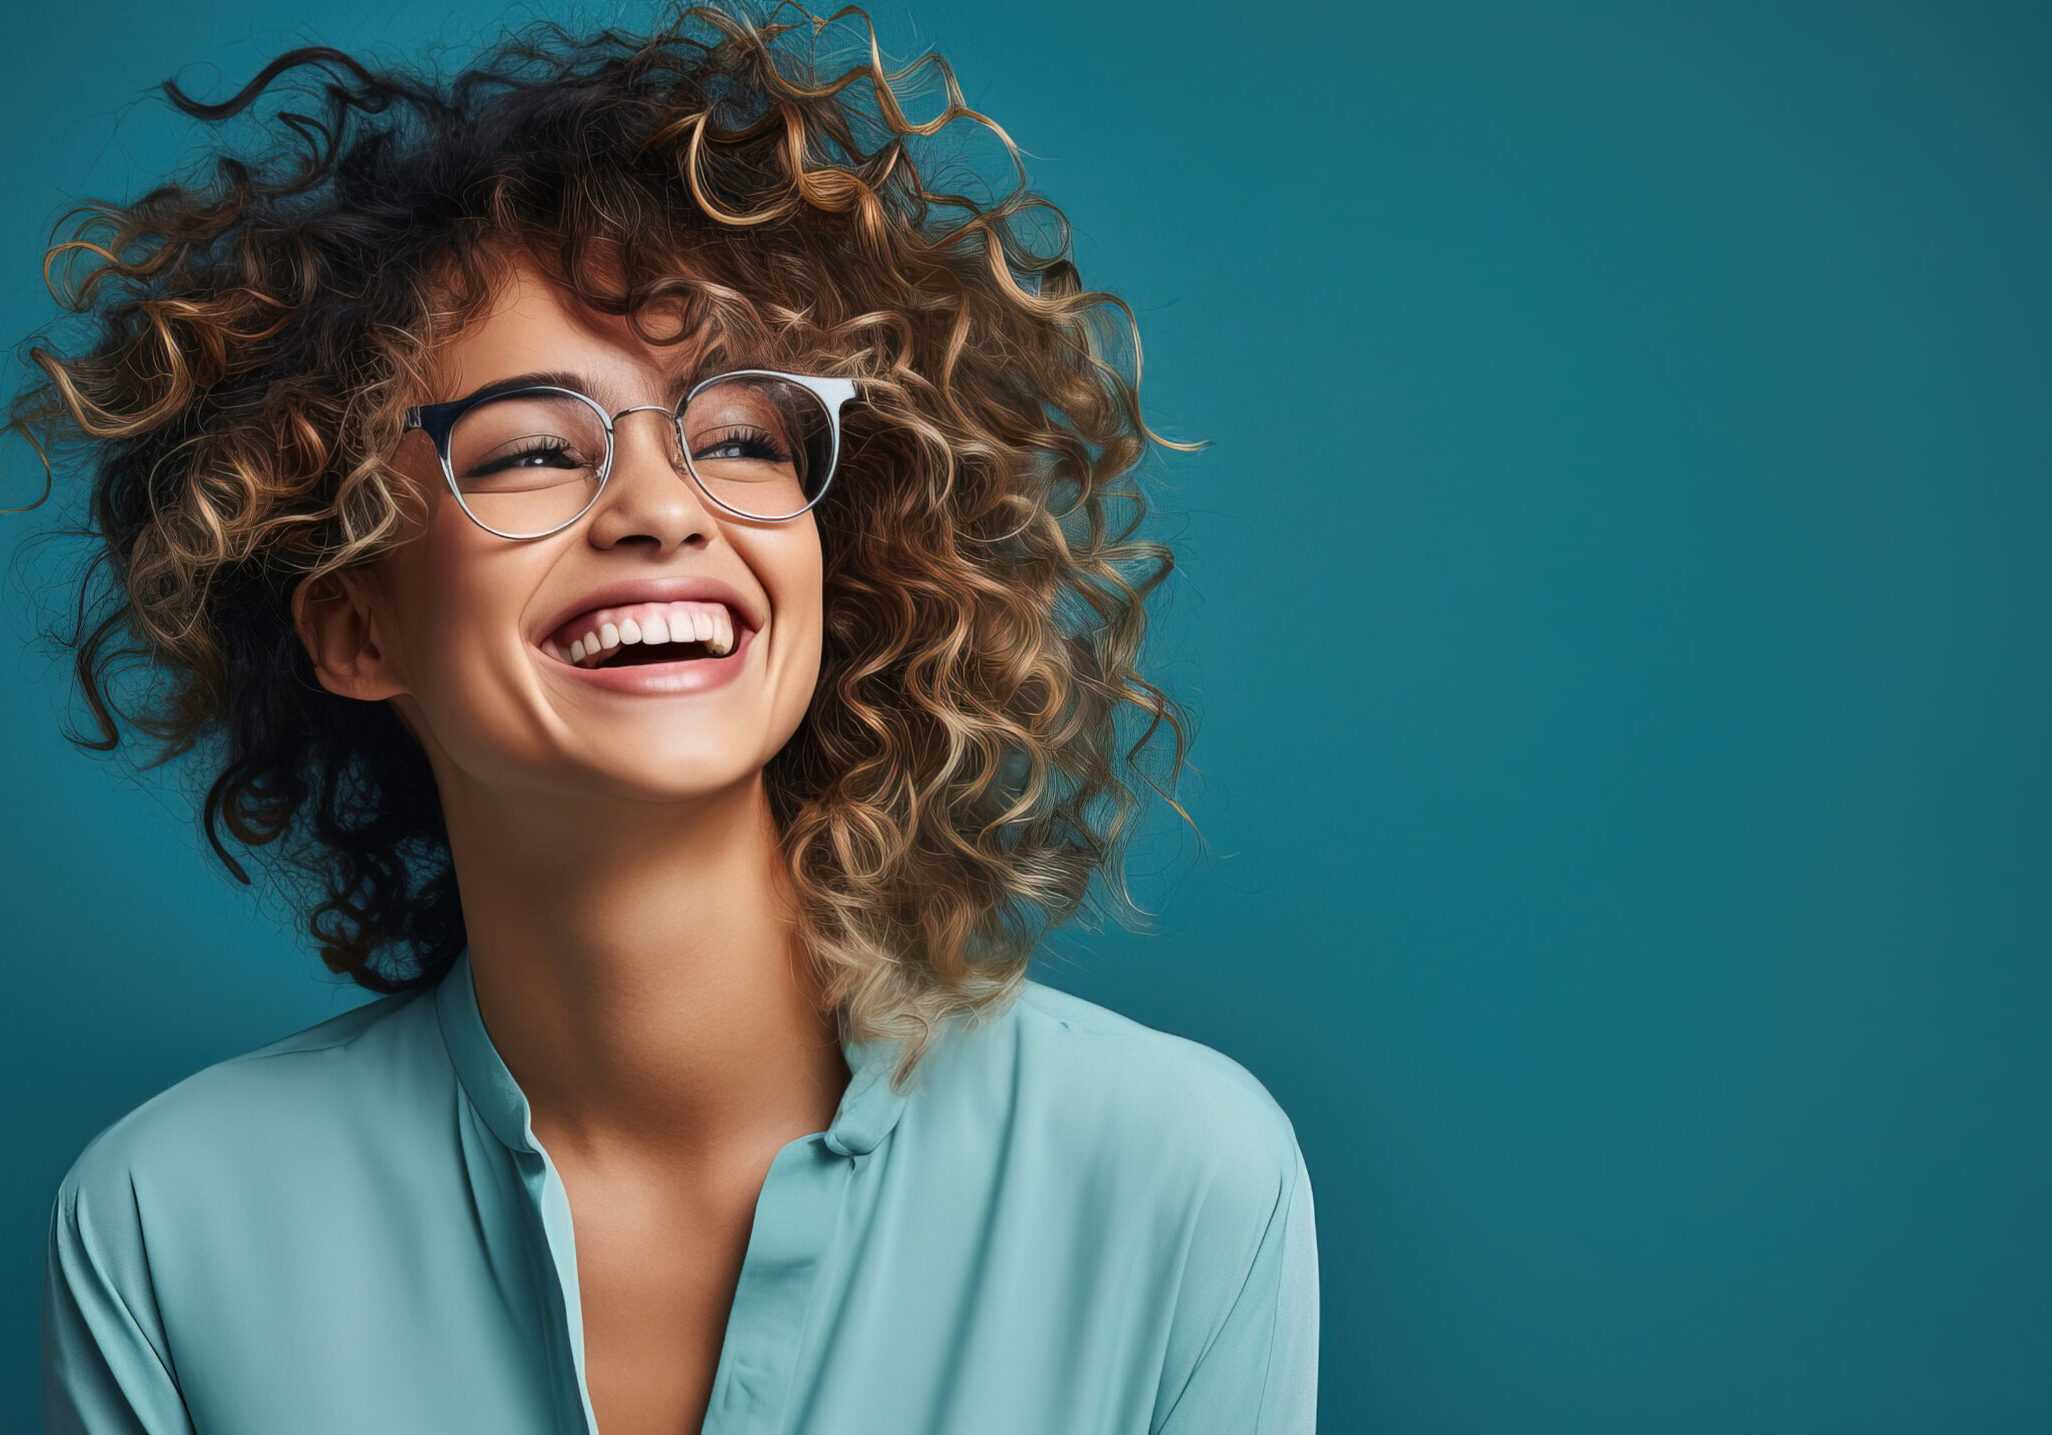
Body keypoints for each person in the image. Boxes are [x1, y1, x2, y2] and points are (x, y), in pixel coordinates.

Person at [9, 4, 1319, 1431]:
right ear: (356, 626)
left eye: (742, 434)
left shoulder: (1175, 1179)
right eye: (527, 450)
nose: (658, 508)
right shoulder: (165, 1234)